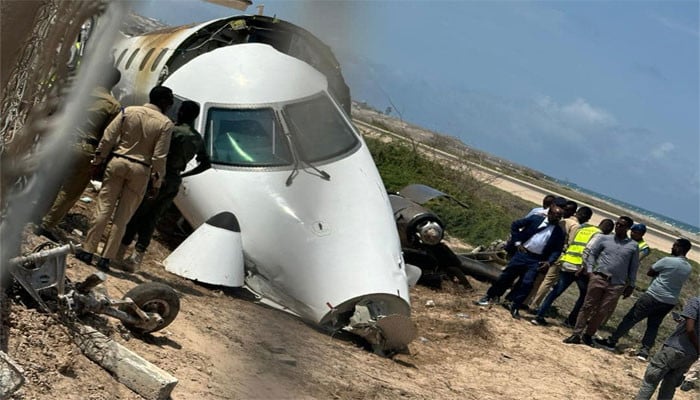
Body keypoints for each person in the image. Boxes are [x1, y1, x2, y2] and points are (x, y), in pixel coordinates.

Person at [75, 86, 174, 270]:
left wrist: (98, 160)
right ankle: (106, 258)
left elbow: (108, 137)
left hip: (118, 161)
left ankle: (88, 251)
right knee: (123, 216)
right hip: (141, 170)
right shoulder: (166, 124)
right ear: (163, 103)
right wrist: (157, 181)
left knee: (103, 207)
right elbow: (159, 157)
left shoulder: (128, 111)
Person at [116, 101, 210, 271]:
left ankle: (120, 251)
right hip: (174, 181)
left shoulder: (172, 130)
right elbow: (206, 164)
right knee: (152, 219)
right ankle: (137, 257)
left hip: (158, 177)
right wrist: (183, 174)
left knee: (137, 213)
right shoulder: (197, 138)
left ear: (181, 112)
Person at [34, 67, 122, 241]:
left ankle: (37, 214)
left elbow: (55, 112)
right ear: (114, 83)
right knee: (70, 190)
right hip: (85, 149)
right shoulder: (113, 105)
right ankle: (47, 224)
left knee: (51, 181)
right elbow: (109, 136)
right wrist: (101, 160)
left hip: (62, 142)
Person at [595, 238, 693, 361]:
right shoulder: (688, 267)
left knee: (631, 318)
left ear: (679, 247)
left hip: (654, 295)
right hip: (670, 300)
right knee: (653, 326)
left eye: (674, 246)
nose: (671, 248)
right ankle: (644, 352)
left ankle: (612, 341)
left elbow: (650, 272)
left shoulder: (668, 260)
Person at [475, 204, 565, 318]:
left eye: (559, 216)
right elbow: (515, 225)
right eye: (555, 215)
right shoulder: (535, 219)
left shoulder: (559, 232)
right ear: (549, 213)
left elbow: (557, 250)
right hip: (522, 254)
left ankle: (514, 305)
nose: (557, 218)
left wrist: (549, 262)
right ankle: (491, 296)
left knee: (527, 283)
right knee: (506, 276)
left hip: (536, 260)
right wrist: (517, 242)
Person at [563, 215, 639, 346]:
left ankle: (588, 335)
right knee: (587, 306)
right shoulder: (604, 239)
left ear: (628, 228)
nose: (618, 227)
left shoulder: (633, 246)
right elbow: (592, 254)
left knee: (602, 311)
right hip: (598, 277)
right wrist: (591, 271)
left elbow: (633, 267)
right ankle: (576, 334)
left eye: (622, 225)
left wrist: (631, 284)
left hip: (616, 284)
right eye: (617, 224)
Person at [529, 210, 608, 326]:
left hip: (567, 262)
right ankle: (572, 320)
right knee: (585, 294)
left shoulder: (583, 228)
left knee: (556, 291)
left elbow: (572, 243)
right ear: (609, 230)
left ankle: (539, 315)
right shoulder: (599, 235)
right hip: (579, 267)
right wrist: (584, 266)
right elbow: (588, 250)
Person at [635, 296, 699, 400]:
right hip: (691, 354)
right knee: (669, 386)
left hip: (674, 348)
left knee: (650, 382)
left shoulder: (696, 302)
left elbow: (690, 329)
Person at [527, 201, 582, 310]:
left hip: (549, 252)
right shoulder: (575, 225)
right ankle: (533, 304)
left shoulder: (561, 220)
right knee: (547, 281)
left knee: (539, 278)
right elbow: (570, 242)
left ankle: (526, 300)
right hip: (559, 254)